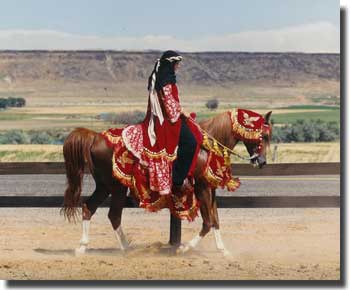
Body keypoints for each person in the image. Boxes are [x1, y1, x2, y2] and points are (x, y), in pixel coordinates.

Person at [122, 50, 199, 195]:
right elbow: (170, 108)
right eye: (177, 64)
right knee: (191, 143)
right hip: (167, 122)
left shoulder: (160, 78)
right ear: (171, 64)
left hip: (161, 119)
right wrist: (183, 112)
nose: (179, 66)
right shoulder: (167, 82)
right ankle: (177, 180)